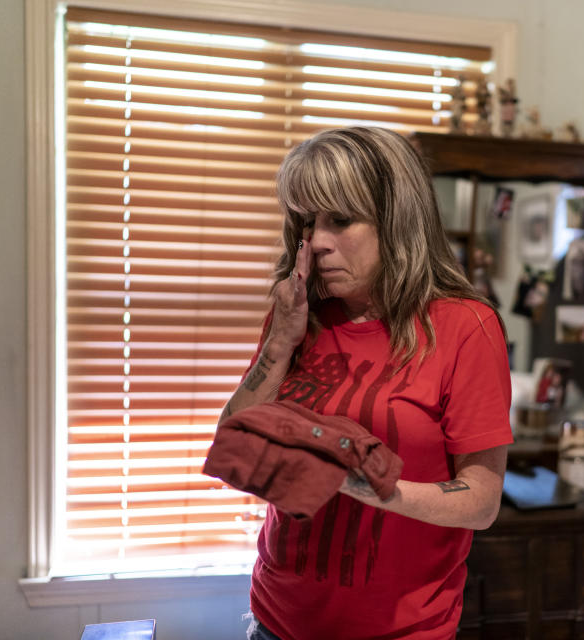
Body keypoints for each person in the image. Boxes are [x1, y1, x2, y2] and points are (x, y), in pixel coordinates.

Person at [216, 127, 513, 640]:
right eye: (308, 221)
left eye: (341, 220)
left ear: (396, 221)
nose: (318, 242)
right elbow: (235, 448)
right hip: (276, 623)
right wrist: (280, 342)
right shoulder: (299, 315)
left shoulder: (465, 327)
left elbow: (482, 502)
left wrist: (367, 485)